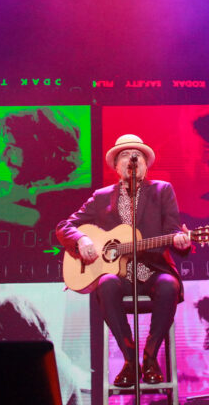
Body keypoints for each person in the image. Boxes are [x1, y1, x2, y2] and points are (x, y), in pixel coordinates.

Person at [56, 134, 191, 387]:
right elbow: (65, 226)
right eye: (125, 156)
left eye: (137, 156)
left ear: (146, 165)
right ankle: (130, 359)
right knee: (106, 283)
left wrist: (182, 241)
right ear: (116, 166)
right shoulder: (101, 196)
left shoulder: (162, 190)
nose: (132, 160)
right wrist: (82, 240)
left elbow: (173, 231)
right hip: (118, 275)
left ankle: (150, 357)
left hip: (152, 270)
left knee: (169, 285)